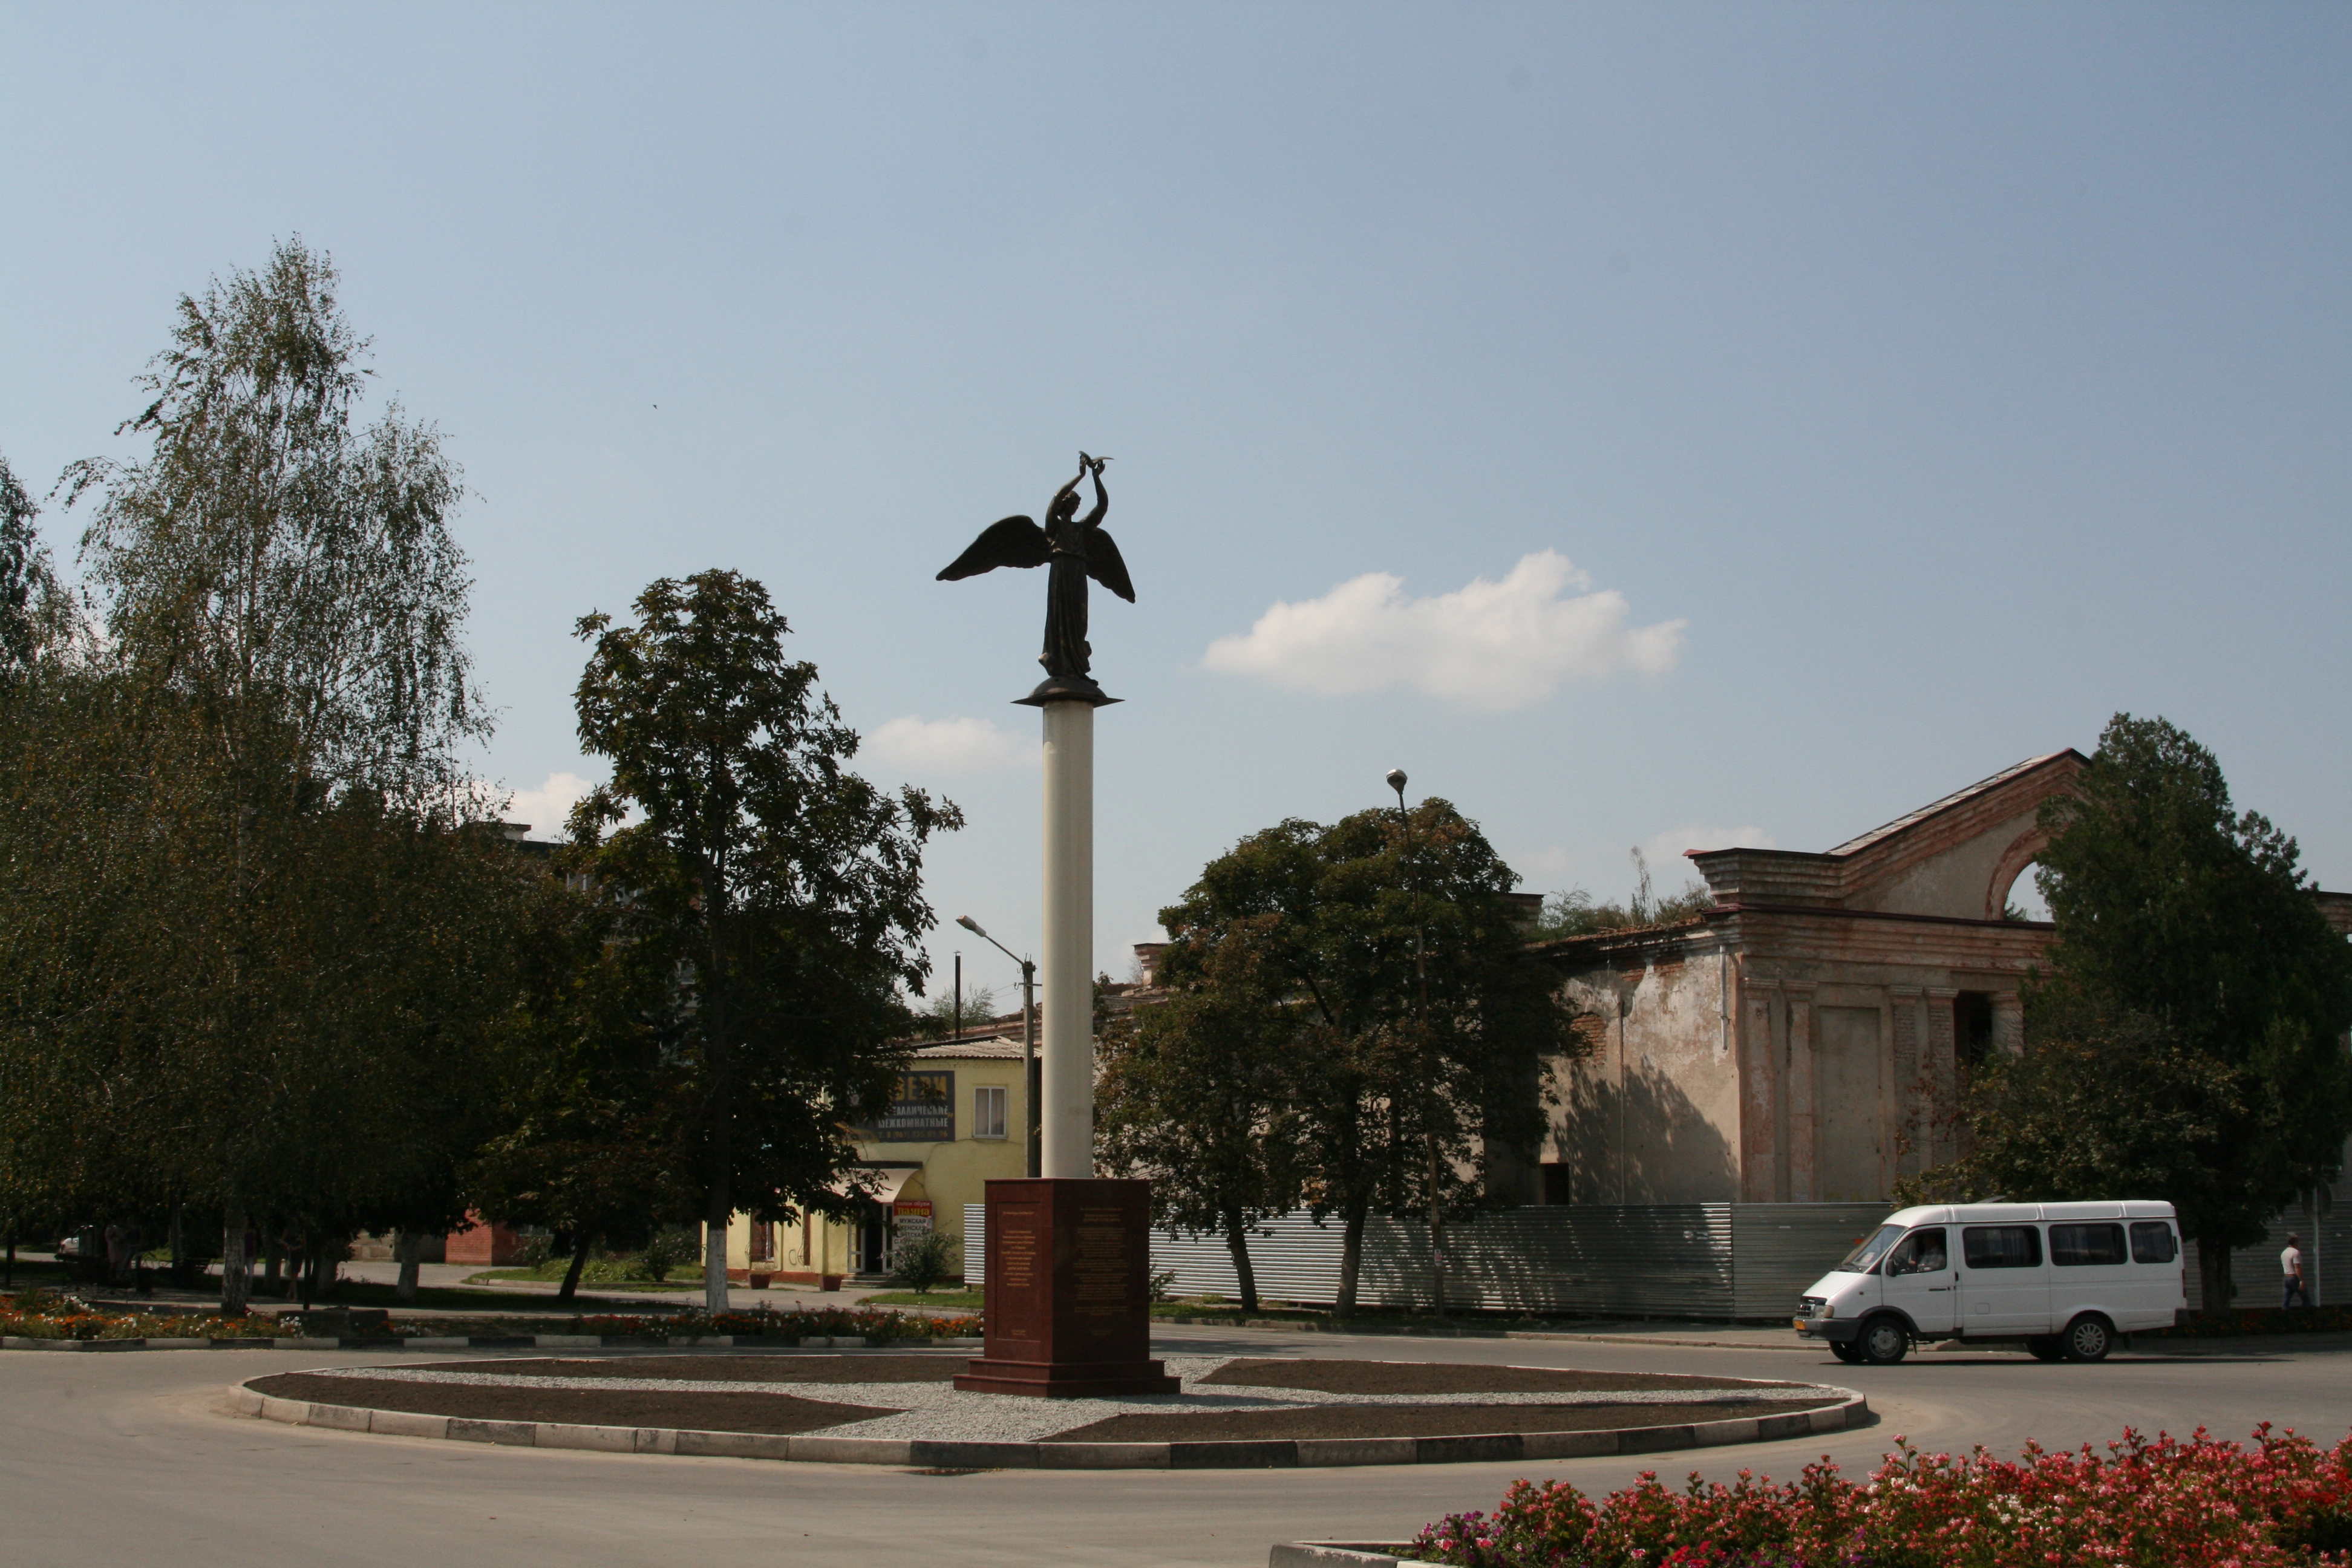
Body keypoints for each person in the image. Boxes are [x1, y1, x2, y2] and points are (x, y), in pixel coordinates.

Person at [2281, 1233, 2308, 1309]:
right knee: (2305, 1298)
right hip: (2294, 1277)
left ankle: (2284, 1313)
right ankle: (2307, 1313)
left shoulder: (2284, 1252)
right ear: (2296, 1242)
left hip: (2286, 1277)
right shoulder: (2296, 1252)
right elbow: (2297, 1268)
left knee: (2286, 1299)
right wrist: (2302, 1280)